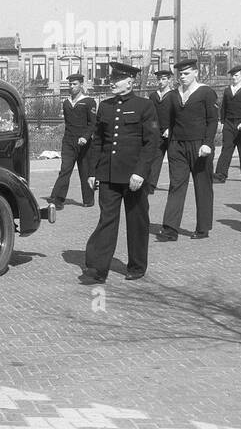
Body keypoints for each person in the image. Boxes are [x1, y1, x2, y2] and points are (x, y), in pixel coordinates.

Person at [80, 62, 159, 283]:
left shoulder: (145, 106)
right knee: (107, 219)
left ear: (130, 82)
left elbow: (151, 142)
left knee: (137, 221)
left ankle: (137, 265)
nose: (112, 82)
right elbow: (98, 142)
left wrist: (141, 173)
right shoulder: (104, 106)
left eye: (117, 79)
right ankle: (98, 267)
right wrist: (93, 171)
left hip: (134, 176)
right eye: (111, 79)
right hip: (108, 175)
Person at [156, 58, 219, 241]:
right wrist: (167, 130)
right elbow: (170, 116)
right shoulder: (174, 94)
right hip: (177, 145)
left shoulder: (206, 92)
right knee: (176, 185)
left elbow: (213, 120)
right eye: (180, 74)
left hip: (200, 146)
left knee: (202, 185)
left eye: (186, 73)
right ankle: (170, 228)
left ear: (196, 73)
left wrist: (208, 143)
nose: (182, 77)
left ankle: (203, 227)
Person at [48, 73, 97, 209]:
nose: (71, 86)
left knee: (85, 171)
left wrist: (85, 137)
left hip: (84, 143)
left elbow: (93, 123)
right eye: (70, 84)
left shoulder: (89, 102)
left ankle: (88, 199)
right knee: (65, 169)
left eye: (75, 84)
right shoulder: (66, 102)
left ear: (81, 85)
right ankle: (57, 199)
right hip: (69, 141)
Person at [214, 65, 241, 182]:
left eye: (236, 75)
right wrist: (222, 121)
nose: (234, 77)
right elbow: (224, 106)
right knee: (226, 148)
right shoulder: (228, 90)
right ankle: (220, 175)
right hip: (229, 122)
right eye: (232, 75)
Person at [146, 67, 175, 193]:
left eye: (163, 79)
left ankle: (175, 185)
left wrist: (170, 128)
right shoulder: (153, 96)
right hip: (157, 132)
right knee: (155, 159)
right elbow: (151, 116)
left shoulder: (174, 95)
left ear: (169, 80)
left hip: (171, 132)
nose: (161, 82)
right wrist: (154, 129)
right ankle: (151, 185)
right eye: (159, 79)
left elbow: (177, 114)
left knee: (174, 159)